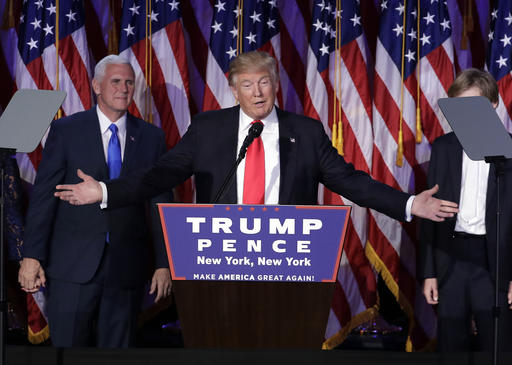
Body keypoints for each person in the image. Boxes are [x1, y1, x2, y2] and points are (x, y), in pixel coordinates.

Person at [53, 51, 457, 237]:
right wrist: (105, 191)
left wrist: (407, 203)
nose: (258, 93)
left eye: (264, 82)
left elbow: (350, 181)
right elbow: (159, 175)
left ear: (276, 85)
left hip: (288, 254)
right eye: (247, 85)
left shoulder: (308, 131)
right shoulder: (209, 129)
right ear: (234, 90)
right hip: (222, 251)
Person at [18, 55, 172, 347]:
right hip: (71, 266)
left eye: (129, 82)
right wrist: (32, 255)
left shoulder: (151, 137)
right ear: (96, 86)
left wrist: (165, 263)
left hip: (126, 269)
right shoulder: (67, 131)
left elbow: (159, 203)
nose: (124, 88)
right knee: (68, 354)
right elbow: (43, 197)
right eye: (116, 81)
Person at [418, 68, 512, 352]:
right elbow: (429, 215)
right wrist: (429, 272)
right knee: (451, 342)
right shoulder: (444, 148)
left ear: (492, 104)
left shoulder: (509, 150)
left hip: (494, 260)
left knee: (495, 342)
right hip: (452, 257)